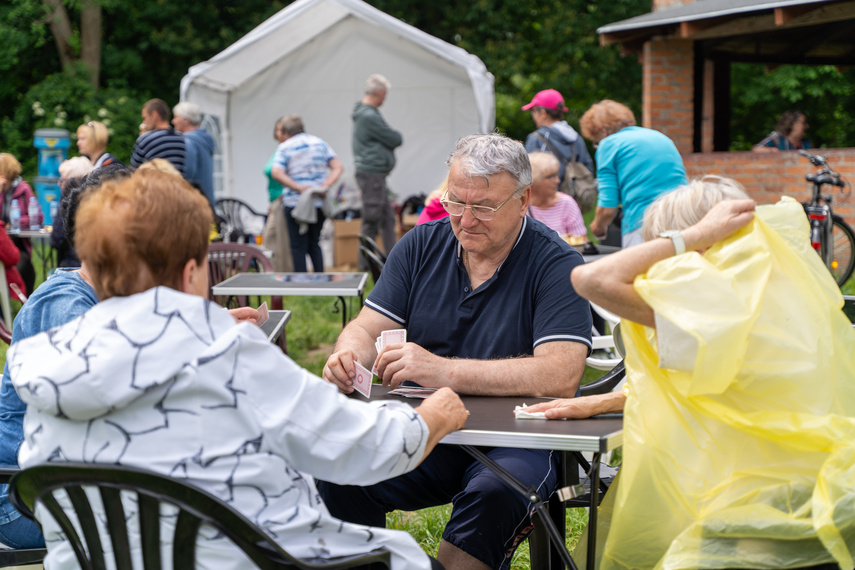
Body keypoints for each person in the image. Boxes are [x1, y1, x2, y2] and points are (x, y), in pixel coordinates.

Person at [8, 168, 466, 570]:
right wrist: (430, 417)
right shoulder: (228, 353)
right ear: (192, 273)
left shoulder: (48, 364)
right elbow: (358, 446)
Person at [319, 133, 592, 570]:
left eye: (483, 207)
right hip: (430, 428)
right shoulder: (420, 245)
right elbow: (368, 328)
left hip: (520, 441)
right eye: (454, 202)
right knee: (336, 469)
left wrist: (443, 370)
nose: (465, 220)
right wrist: (348, 355)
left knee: (494, 497)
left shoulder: (557, 265)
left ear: (523, 201)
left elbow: (560, 375)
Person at [519, 176, 751, 420]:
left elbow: (589, 279)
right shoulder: (759, 289)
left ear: (702, 246)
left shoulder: (710, 306)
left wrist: (692, 235)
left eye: (666, 249)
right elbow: (687, 386)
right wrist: (601, 402)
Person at [0, 162, 135, 550]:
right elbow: (104, 398)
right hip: (20, 496)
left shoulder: (110, 295)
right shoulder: (66, 303)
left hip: (62, 484)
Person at [580, 100, 687, 248]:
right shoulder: (659, 136)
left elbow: (607, 208)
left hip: (643, 223)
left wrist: (597, 226)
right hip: (684, 218)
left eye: (596, 139)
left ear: (602, 130)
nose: (598, 144)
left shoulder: (609, 144)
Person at [271, 114, 343, 272]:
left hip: (295, 204)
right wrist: (325, 185)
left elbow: (276, 172)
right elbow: (338, 166)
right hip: (319, 201)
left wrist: (297, 186)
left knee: (297, 246)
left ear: (285, 131)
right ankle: (320, 280)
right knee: (314, 243)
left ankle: (302, 285)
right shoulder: (320, 143)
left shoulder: (285, 147)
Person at [352, 74, 403, 263]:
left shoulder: (365, 113)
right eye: (385, 95)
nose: (385, 99)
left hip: (375, 176)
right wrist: (393, 139)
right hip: (371, 174)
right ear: (380, 93)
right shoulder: (368, 115)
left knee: (388, 219)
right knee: (371, 220)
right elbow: (394, 138)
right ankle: (364, 266)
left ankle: (393, 262)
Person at [522, 88, 594, 181]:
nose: (533, 116)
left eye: (534, 111)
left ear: (543, 113)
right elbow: (588, 169)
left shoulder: (536, 138)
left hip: (547, 195)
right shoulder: (575, 137)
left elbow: (528, 174)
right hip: (573, 195)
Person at [0, 153, 38, 294]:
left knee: (24, 267)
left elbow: (37, 217)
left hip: (18, 244)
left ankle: (25, 301)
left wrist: (15, 222)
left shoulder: (23, 189)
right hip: (2, 244)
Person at [527, 151, 586, 237]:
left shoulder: (566, 203)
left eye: (556, 175)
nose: (557, 181)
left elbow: (581, 241)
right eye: (550, 177)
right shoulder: (520, 205)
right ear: (533, 180)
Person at [261, 116, 294, 272]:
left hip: (283, 200)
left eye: (281, 129)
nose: (279, 132)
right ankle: (273, 275)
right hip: (275, 202)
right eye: (278, 128)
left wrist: (283, 195)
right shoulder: (280, 149)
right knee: (269, 239)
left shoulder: (289, 149)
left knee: (282, 241)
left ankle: (287, 278)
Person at [51, 156, 94, 267]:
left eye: (62, 180)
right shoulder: (99, 200)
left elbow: (56, 239)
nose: (59, 184)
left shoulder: (66, 201)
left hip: (71, 266)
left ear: (73, 181)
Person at [173, 101, 216, 205]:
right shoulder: (204, 139)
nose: (173, 121)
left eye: (175, 117)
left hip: (195, 204)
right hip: (207, 199)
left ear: (186, 120)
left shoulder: (188, 141)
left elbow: (188, 172)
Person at [131, 98, 186, 174]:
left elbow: (133, 169)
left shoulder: (146, 139)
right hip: (178, 185)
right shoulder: (183, 138)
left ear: (154, 115)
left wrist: (142, 138)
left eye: (145, 118)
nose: (144, 122)